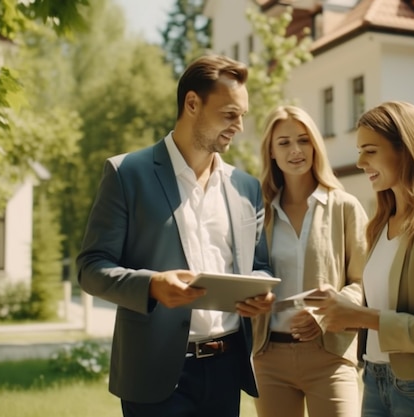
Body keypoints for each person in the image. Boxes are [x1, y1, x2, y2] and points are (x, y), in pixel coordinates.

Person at [76, 54, 275, 417]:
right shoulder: (127, 174)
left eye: (243, 115)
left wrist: (258, 292)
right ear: (193, 103)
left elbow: (258, 266)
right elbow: (91, 268)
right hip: (155, 375)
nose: (240, 126)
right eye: (230, 114)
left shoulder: (246, 188)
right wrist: (151, 285)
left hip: (226, 370)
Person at [308, 101, 414, 417]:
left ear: (406, 150)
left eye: (370, 150)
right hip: (375, 382)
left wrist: (360, 316)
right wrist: (341, 306)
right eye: (360, 151)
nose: (360, 162)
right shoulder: (381, 223)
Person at [251, 105, 368, 417]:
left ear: (315, 146)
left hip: (330, 354)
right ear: (271, 152)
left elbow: (362, 282)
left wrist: (326, 314)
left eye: (303, 140)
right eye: (284, 143)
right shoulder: (258, 212)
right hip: (269, 357)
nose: (295, 151)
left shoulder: (345, 207)